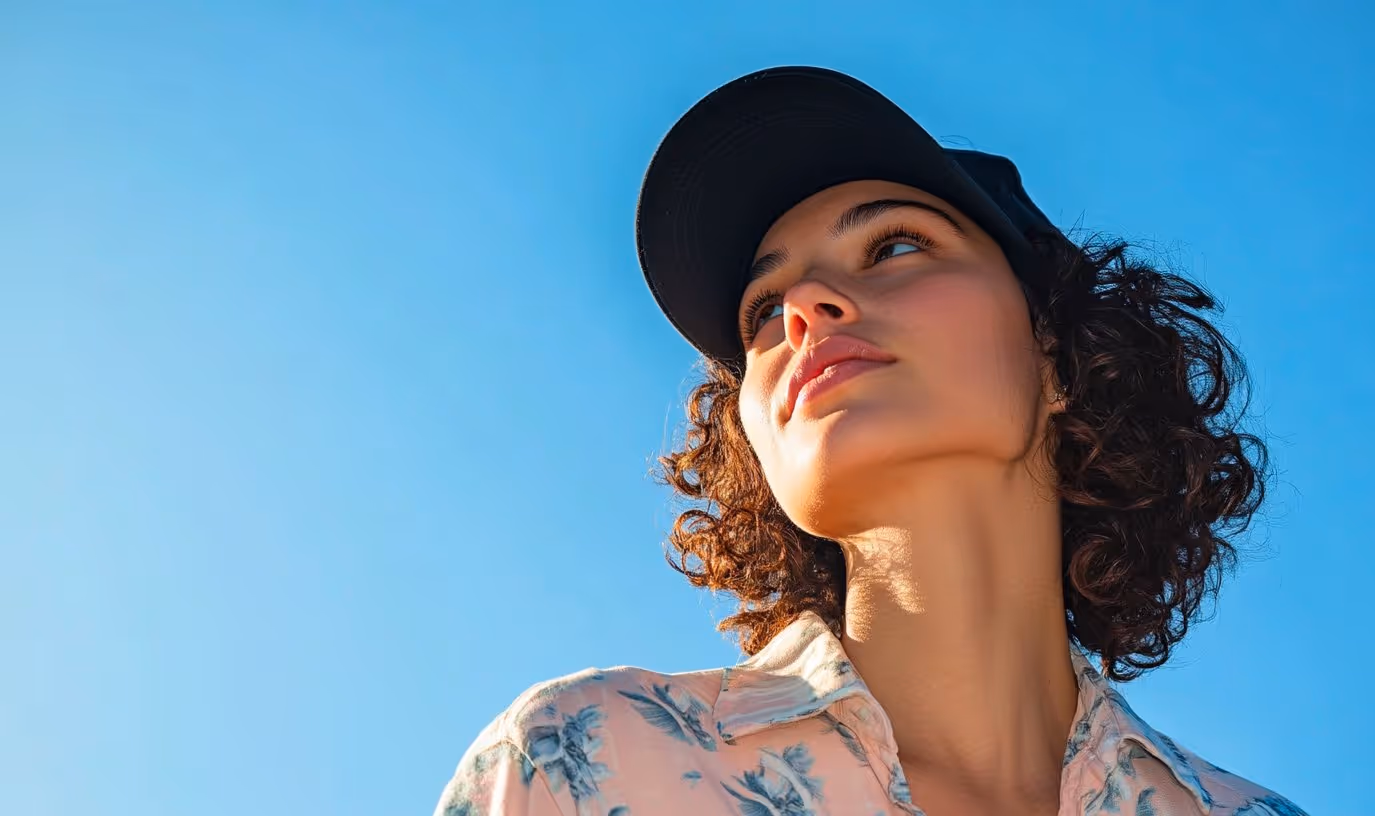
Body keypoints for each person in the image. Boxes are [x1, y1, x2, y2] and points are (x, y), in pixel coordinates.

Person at [432, 66, 1307, 816]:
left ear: (1059, 358)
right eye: (763, 312)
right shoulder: (581, 759)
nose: (803, 308)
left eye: (893, 247)